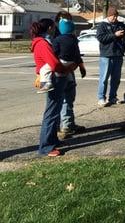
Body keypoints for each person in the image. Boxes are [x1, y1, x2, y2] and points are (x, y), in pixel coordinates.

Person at [31, 19, 76, 157]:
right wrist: (67, 69)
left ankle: (53, 140)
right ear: (50, 28)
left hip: (53, 77)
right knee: (51, 112)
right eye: (54, 27)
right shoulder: (42, 44)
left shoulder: (43, 42)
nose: (55, 29)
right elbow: (54, 63)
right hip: (53, 78)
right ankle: (46, 146)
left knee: (54, 111)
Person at [53, 17, 86, 139]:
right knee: (68, 99)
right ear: (72, 30)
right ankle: (67, 125)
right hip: (70, 72)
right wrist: (82, 67)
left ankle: (60, 126)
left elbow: (53, 56)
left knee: (59, 100)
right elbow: (77, 56)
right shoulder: (74, 41)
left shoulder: (56, 40)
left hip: (59, 72)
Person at [96, 7, 125, 107]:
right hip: (106, 55)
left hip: (118, 55)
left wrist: (124, 35)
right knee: (104, 78)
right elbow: (101, 38)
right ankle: (101, 98)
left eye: (116, 16)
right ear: (108, 15)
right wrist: (114, 35)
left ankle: (113, 97)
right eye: (113, 16)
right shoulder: (102, 25)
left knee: (116, 78)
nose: (115, 18)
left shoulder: (120, 25)